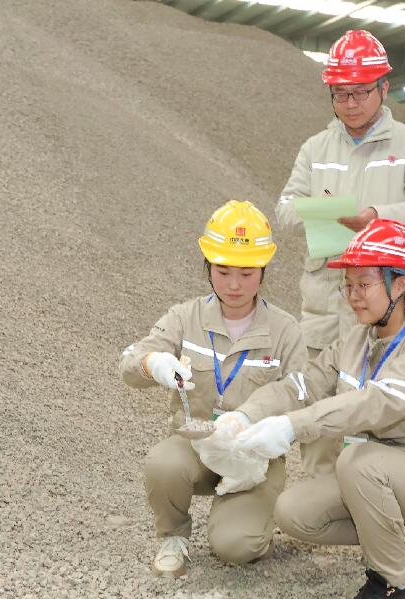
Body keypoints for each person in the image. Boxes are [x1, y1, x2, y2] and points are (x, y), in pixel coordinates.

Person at [213, 219, 405, 599]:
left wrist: (291, 427)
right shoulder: (356, 341)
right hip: (387, 475)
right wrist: (249, 413)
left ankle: (392, 587)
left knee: (357, 461)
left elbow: (374, 405)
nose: (353, 295)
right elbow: (303, 384)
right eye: (348, 285)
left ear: (400, 285)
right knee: (295, 512)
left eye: (364, 284)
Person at [275, 29, 405, 477]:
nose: (350, 103)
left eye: (360, 92)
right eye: (340, 94)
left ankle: (381, 499)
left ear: (384, 88)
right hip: (324, 306)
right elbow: (284, 209)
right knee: (319, 415)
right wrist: (322, 213)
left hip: (386, 309)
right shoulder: (315, 149)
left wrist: (377, 217)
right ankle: (319, 499)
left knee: (385, 416)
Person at [119, 201, 306, 578]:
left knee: (236, 548)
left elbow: (302, 391)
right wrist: (153, 363)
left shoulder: (285, 330)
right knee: (163, 463)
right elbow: (130, 364)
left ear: (263, 271)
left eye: (246, 273)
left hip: (254, 458)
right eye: (223, 271)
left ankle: (254, 525)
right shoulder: (184, 318)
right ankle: (173, 537)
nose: (234, 285)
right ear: (208, 267)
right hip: (197, 446)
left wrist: (252, 418)